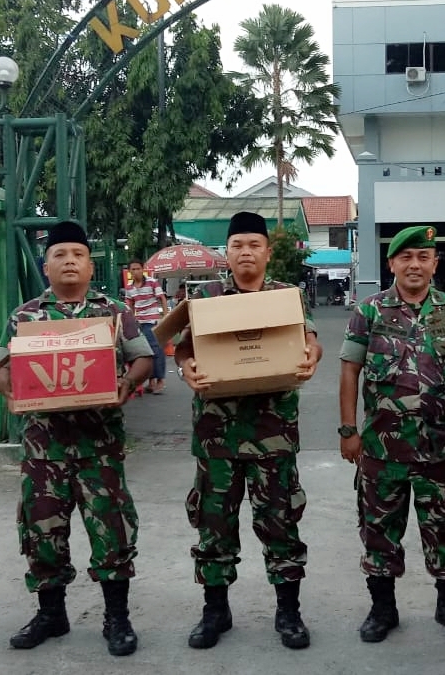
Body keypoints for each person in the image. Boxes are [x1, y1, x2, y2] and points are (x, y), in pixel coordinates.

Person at [0, 220, 154, 657]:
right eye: (59, 255)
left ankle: (117, 617)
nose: (69, 262)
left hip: (100, 445)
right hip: (44, 448)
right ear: (46, 267)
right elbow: (1, 369)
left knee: (112, 531)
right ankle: (51, 614)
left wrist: (127, 384)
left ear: (90, 265)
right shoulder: (25, 317)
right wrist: (11, 395)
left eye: (78, 255)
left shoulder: (113, 311)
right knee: (42, 530)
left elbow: (142, 358)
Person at [175, 211, 321, 651]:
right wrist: (186, 368)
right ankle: (215, 611)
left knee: (280, 523)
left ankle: (288, 612)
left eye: (254, 245)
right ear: (227, 252)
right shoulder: (206, 299)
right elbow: (183, 349)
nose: (246, 253)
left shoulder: (286, 297)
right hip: (216, 437)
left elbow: (310, 339)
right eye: (237, 245)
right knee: (213, 525)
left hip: (273, 435)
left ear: (267, 252)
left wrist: (310, 356)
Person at [338, 225, 445, 644]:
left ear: (435, 264)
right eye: (406, 257)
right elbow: (350, 371)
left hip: (440, 449)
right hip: (382, 449)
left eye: (424, 257)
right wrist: (348, 429)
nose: (415, 265)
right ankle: (382, 608)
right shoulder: (369, 312)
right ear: (392, 264)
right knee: (378, 529)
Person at [124, 258, 169, 394]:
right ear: (129, 271)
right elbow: (130, 305)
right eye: (133, 269)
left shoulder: (152, 282)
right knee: (145, 352)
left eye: (138, 268)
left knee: (156, 349)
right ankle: (151, 382)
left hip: (152, 320)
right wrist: (130, 321)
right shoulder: (129, 288)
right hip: (139, 323)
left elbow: (162, 298)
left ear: (142, 269)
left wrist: (165, 317)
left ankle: (160, 381)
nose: (136, 271)